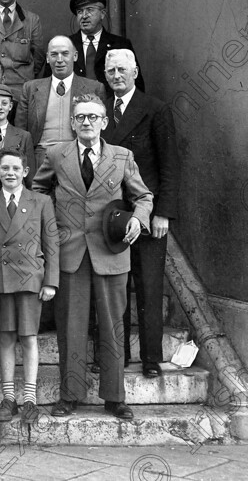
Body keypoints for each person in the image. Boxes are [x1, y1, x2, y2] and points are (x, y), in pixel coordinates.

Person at [32, 93, 153, 420]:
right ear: (72, 122)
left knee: (114, 327)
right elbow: (38, 191)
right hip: (70, 254)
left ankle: (115, 397)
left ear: (103, 122)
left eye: (93, 117)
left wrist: (136, 219)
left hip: (111, 252)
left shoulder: (122, 156)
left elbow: (143, 196)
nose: (86, 122)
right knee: (70, 327)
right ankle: (69, 394)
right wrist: (50, 226)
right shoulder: (57, 155)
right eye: (80, 117)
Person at [102, 49, 179, 378]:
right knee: (114, 286)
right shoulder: (99, 111)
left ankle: (151, 358)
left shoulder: (155, 108)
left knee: (148, 285)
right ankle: (115, 355)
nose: (116, 75)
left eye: (122, 69)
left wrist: (163, 213)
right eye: (110, 71)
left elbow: (170, 164)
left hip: (147, 213)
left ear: (135, 71)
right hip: (110, 213)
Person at [0, 149, 58, 423]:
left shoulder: (40, 201)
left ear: (25, 171)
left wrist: (50, 281)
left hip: (30, 279)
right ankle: (8, 398)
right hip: (1, 279)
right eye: (5, 168)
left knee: (28, 338)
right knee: (5, 337)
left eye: (16, 168)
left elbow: (52, 243)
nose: (10, 173)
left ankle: (29, 399)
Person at [16, 35, 105, 168]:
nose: (59, 60)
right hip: (40, 157)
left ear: (75, 56)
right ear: (47, 58)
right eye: (54, 54)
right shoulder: (31, 89)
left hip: (79, 156)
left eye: (65, 54)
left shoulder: (94, 88)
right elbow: (20, 130)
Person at [67, 0, 145, 95]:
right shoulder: (66, 45)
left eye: (90, 10)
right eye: (80, 11)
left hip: (110, 108)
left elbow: (136, 85)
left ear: (102, 14)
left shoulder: (120, 44)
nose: (84, 16)